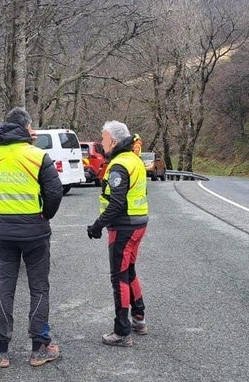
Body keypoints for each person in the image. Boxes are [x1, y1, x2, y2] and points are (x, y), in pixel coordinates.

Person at [0, 107, 63, 368]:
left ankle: (1, 348)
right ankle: (39, 347)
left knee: (4, 287)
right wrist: (45, 215)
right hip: (34, 229)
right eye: (31, 127)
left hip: (3, 229)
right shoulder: (38, 156)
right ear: (25, 127)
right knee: (38, 286)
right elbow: (54, 193)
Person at [87, 120, 149, 347]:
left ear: (113, 140)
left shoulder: (120, 164)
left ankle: (122, 332)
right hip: (138, 223)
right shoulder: (134, 159)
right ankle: (139, 318)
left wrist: (97, 226)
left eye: (103, 138)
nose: (101, 142)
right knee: (129, 270)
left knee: (119, 277)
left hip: (124, 227)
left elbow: (116, 203)